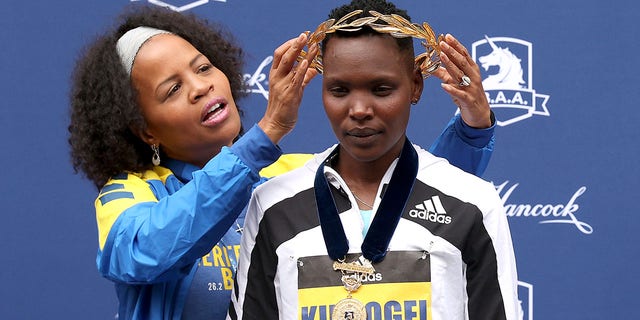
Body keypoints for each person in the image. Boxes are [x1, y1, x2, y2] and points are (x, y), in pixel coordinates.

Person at [68, 4, 494, 320]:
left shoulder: (287, 174)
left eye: (203, 68)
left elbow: (412, 201)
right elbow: (144, 252)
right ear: (146, 130)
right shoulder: (129, 193)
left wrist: (472, 130)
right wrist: (265, 135)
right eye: (172, 89)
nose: (201, 87)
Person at [229, 1, 518, 319]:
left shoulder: (473, 203)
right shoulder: (274, 206)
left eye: (381, 89)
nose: (359, 110)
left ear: (416, 85)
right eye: (339, 90)